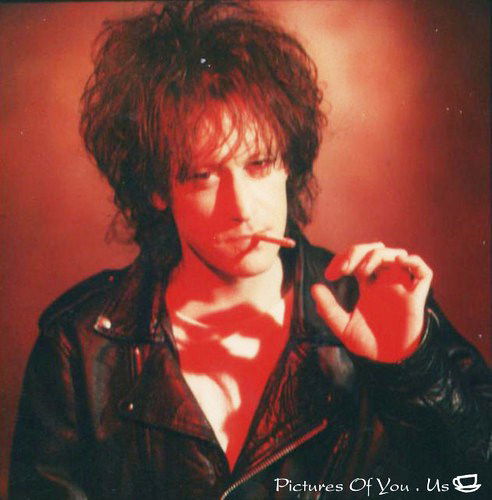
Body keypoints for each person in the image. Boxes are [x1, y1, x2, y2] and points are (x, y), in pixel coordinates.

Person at [9, 1, 491, 498]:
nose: (240, 207)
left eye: (259, 164)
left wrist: (411, 370)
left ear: (289, 165)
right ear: (157, 190)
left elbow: (477, 479)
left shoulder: (374, 304)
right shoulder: (79, 344)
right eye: (203, 175)